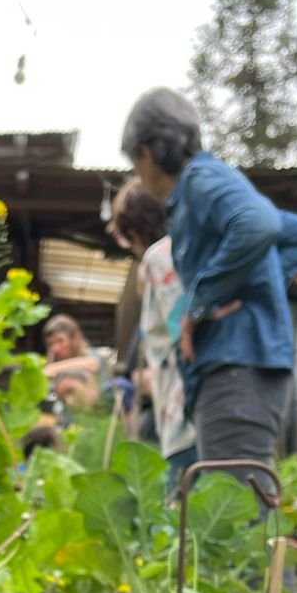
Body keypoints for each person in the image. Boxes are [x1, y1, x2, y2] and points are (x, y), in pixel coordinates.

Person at [120, 88, 297, 482]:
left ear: (146, 153)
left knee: (234, 511)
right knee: (231, 504)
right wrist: (251, 283)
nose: (139, 180)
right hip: (241, 366)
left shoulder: (199, 180)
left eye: (134, 165)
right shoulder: (206, 184)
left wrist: (201, 301)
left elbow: (258, 223)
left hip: (235, 366)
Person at [111, 178, 196, 478]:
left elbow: (180, 340)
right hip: (200, 414)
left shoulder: (160, 259)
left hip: (185, 417)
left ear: (134, 232)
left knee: (188, 514)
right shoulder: (195, 251)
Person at [43, 314, 104, 411]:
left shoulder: (93, 356)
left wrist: (53, 368)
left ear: (76, 338)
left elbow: (92, 363)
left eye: (60, 340)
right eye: (51, 344)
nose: (55, 348)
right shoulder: (55, 363)